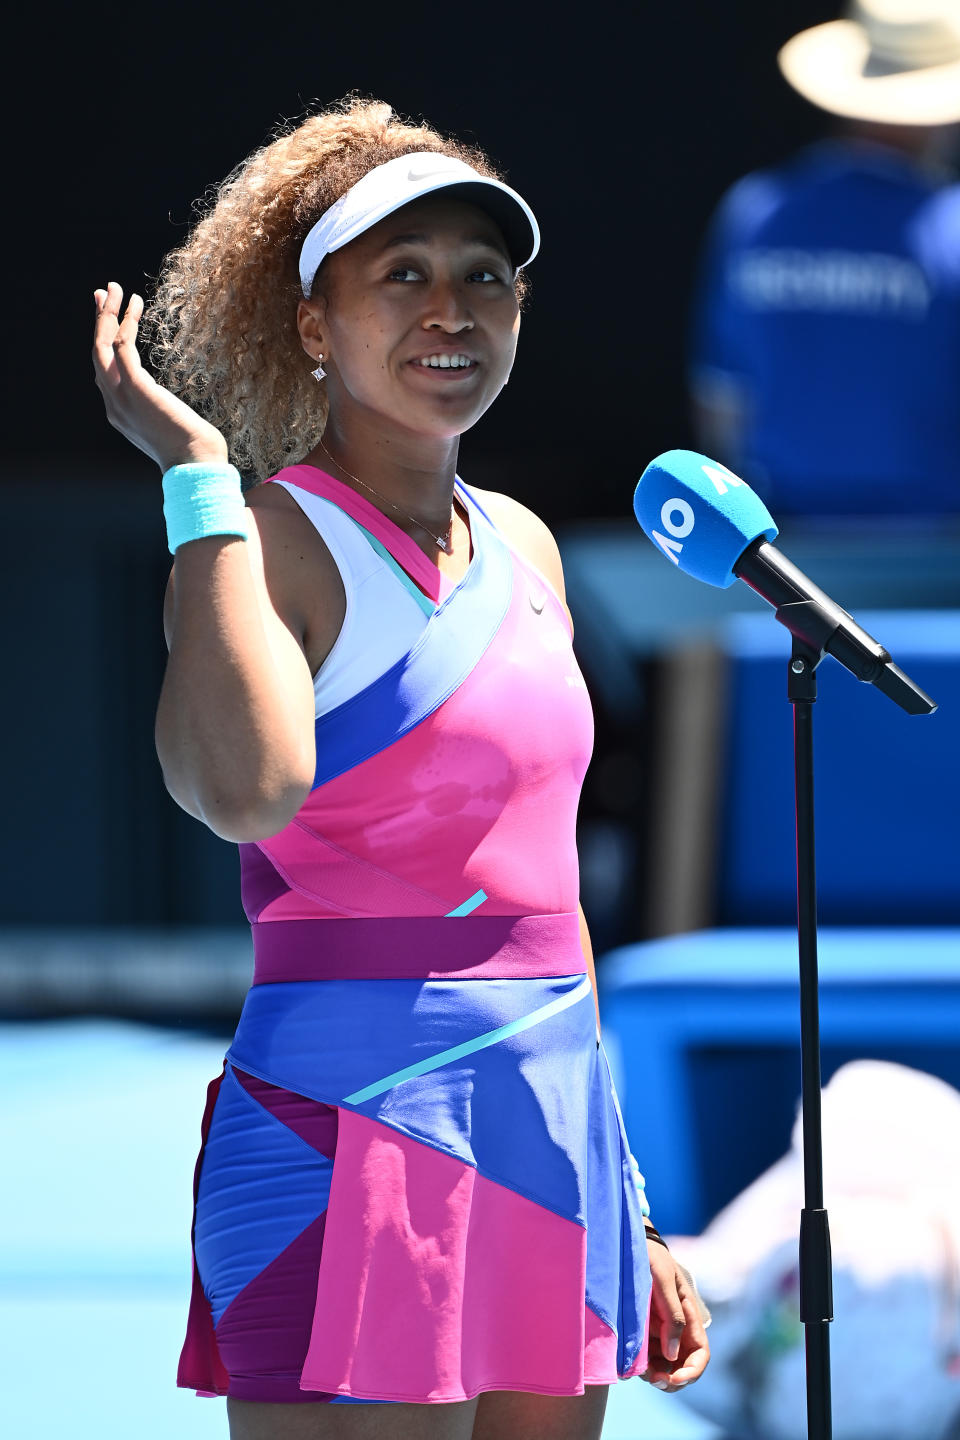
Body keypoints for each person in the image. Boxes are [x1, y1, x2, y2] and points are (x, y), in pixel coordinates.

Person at [91, 97, 709, 1440]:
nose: (452, 310)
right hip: (341, 1119)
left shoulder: (530, 547)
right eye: (404, 275)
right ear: (316, 324)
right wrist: (197, 478)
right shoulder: (263, 536)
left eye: (485, 277)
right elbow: (245, 793)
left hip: (554, 1124)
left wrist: (633, 1196)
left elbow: (552, 896)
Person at [689, 0, 960, 520]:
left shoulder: (758, 212)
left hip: (783, 550)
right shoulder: (950, 226)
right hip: (938, 555)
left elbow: (720, 402)